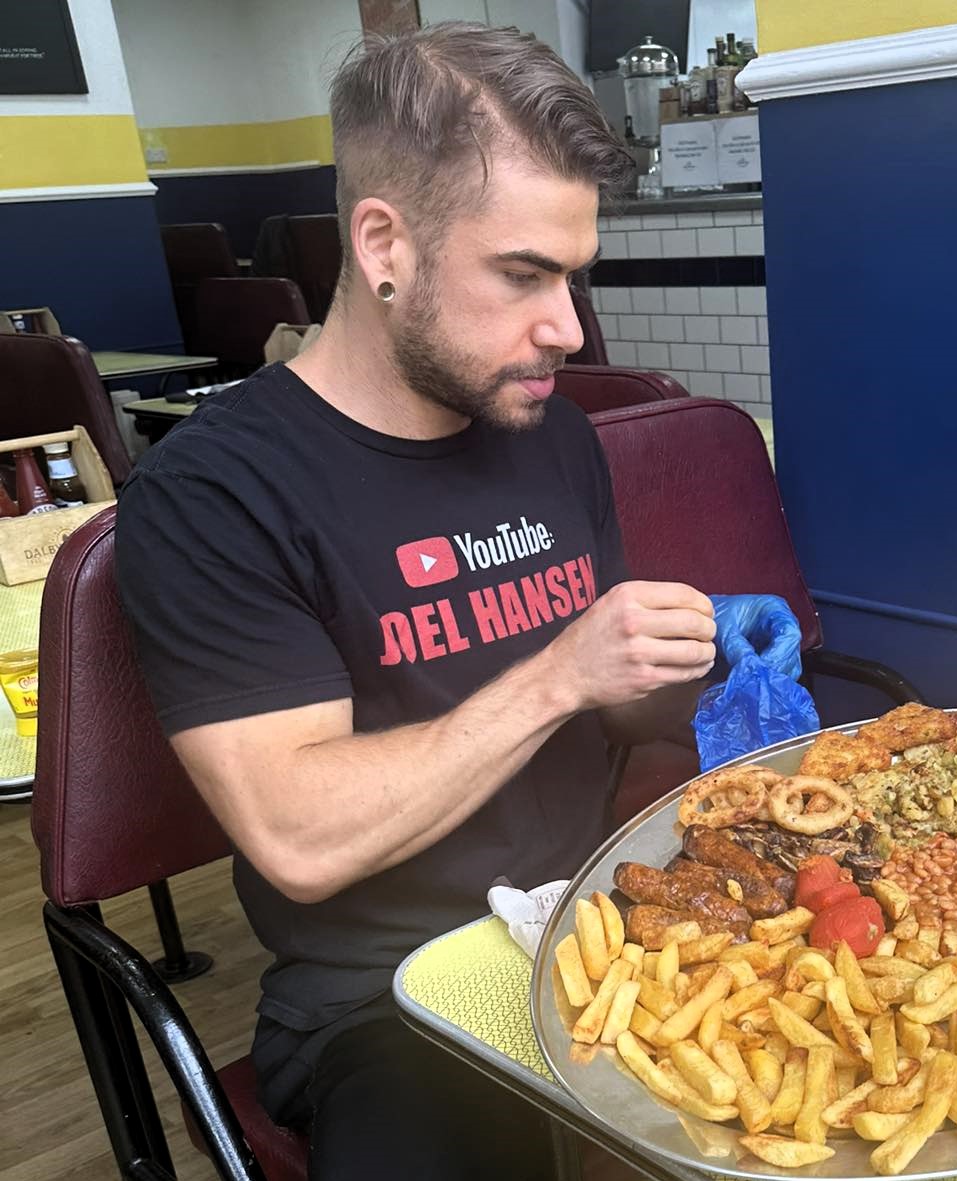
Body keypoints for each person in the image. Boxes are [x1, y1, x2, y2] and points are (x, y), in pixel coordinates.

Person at [116, 23, 717, 1179]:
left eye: (574, 275)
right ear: (383, 243)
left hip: (614, 924)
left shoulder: (552, 433)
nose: (569, 327)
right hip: (382, 996)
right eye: (524, 273)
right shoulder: (216, 491)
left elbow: (622, 717)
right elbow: (297, 834)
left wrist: (662, 666)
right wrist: (560, 672)